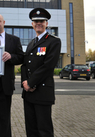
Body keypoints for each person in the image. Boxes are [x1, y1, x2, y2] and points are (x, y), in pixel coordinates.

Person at [21, 8, 61, 137]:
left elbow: (48, 66)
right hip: (29, 93)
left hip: (42, 92)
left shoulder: (54, 41)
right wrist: (25, 83)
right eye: (36, 21)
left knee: (44, 130)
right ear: (32, 24)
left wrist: (31, 83)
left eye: (42, 21)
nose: (39, 23)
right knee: (31, 129)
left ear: (46, 24)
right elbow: (25, 65)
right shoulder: (32, 43)